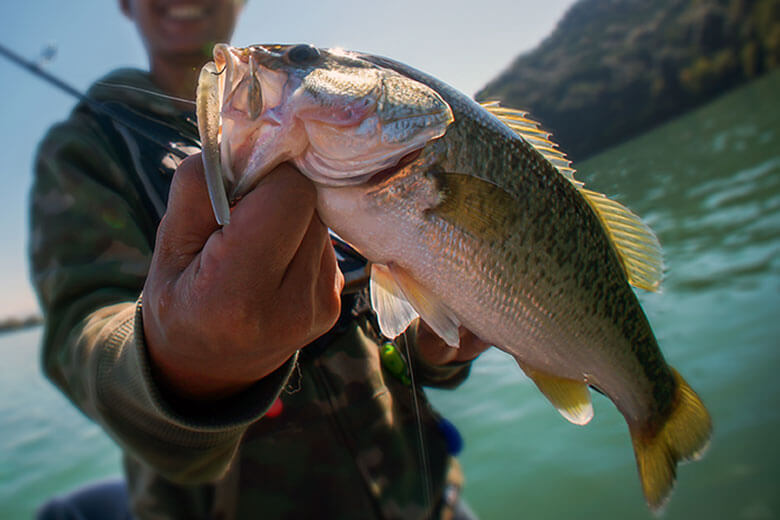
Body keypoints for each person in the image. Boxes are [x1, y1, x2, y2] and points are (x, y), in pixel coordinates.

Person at [31, 1, 487, 518]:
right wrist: (184, 367)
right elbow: (78, 331)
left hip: (419, 497)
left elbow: (393, 320)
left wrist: (440, 348)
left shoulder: (338, 138)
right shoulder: (85, 150)